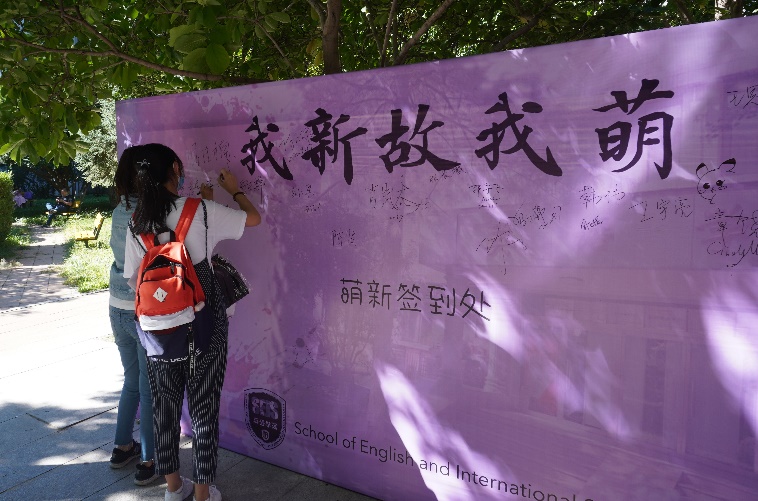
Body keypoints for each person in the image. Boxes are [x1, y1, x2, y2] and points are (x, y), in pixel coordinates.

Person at [123, 143, 261, 501]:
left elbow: (133, 279)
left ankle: (173, 489)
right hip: (205, 324)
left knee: (164, 406)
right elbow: (253, 218)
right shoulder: (199, 210)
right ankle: (202, 494)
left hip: (158, 330)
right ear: (174, 168)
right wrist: (235, 191)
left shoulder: (136, 222)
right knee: (204, 409)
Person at [108, 145, 158, 485]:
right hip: (142, 310)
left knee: (131, 381)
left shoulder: (119, 209)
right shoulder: (151, 213)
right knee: (149, 386)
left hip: (116, 306)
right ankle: (148, 461)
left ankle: (121, 446)